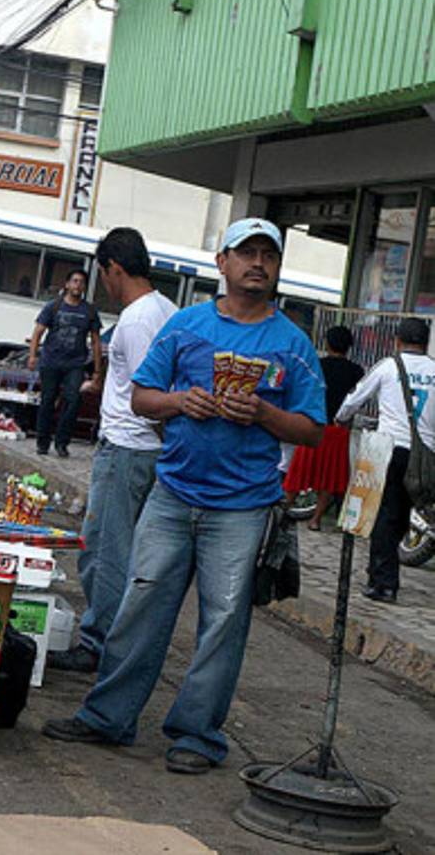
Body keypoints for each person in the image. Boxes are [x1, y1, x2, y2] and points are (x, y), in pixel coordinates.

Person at [42, 217, 325, 775]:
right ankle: (107, 717)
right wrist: (181, 402)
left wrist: (266, 414)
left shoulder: (292, 344)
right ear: (222, 263)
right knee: (140, 604)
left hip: (244, 505)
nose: (258, 263)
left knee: (223, 620)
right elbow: (141, 396)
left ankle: (196, 734)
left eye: (269, 254)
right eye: (247, 252)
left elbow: (312, 429)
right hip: (173, 494)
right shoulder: (187, 326)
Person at [47, 229, 178, 674]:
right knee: (115, 550)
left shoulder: (139, 319)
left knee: (104, 550)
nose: (102, 283)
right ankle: (108, 638)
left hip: (127, 448)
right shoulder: (166, 310)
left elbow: (150, 392)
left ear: (114, 269)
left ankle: (99, 642)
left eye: (103, 274)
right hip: (140, 449)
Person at [335, 317, 435, 603]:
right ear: (425, 342)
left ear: (397, 340)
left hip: (388, 449)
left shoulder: (388, 366)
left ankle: (383, 583)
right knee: (403, 513)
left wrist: (341, 418)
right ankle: (387, 572)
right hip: (424, 455)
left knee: (384, 515)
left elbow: (354, 398)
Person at [283, 325, 364, 531]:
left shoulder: (317, 365)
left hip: (314, 426)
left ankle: (284, 510)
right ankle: (316, 520)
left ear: (327, 343)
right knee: (328, 478)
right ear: (349, 347)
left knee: (298, 473)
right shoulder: (357, 371)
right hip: (338, 430)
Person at [27, 268, 103, 457]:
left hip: (75, 364)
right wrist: (32, 355)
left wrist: (97, 370)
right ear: (67, 284)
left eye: (81, 282)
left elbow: (95, 341)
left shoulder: (90, 311)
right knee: (47, 401)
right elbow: (38, 332)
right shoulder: (53, 306)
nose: (78, 285)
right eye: (75, 281)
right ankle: (42, 442)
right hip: (51, 361)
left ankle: (62, 442)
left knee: (73, 401)